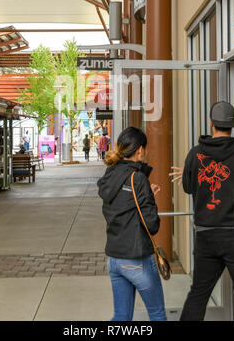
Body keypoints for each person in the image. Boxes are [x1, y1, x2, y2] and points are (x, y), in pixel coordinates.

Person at [178, 101, 234, 321]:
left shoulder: (196, 153)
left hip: (205, 235)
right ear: (233, 126)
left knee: (198, 293)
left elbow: (188, 187)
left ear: (211, 124)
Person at [97, 126, 167, 321]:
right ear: (139, 150)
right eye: (146, 148)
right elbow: (152, 225)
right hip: (136, 258)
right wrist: (150, 198)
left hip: (114, 258)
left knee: (121, 316)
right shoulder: (138, 179)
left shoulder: (109, 175)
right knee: (157, 315)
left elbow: (123, 206)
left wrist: (145, 195)